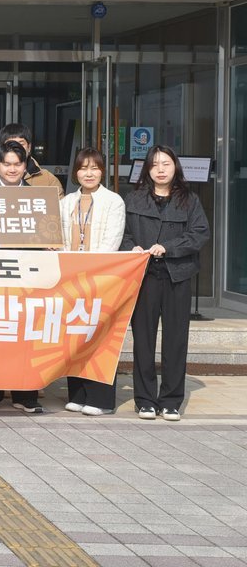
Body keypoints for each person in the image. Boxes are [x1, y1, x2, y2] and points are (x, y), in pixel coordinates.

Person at [122, 145, 210, 422]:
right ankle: (145, 400)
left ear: (175, 167)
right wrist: (132, 248)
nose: (160, 169)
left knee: (175, 339)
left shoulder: (189, 199)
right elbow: (122, 233)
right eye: (155, 164)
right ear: (147, 169)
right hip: (144, 275)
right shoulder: (134, 198)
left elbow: (199, 233)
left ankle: (171, 400)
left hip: (177, 275)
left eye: (166, 164)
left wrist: (168, 247)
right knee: (143, 340)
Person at [0, 141, 47, 414]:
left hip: (27, 278)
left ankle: (25, 394)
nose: (12, 169)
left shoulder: (38, 199)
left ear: (25, 167)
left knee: (26, 336)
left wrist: (49, 245)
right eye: (7, 164)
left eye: (17, 164)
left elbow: (49, 233)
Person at [60, 148, 126, 417]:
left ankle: (101, 399)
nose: (89, 173)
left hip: (101, 278)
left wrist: (92, 269)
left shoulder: (113, 201)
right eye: (83, 168)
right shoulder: (66, 202)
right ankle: (77, 394)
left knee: (100, 338)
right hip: (71, 278)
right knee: (74, 336)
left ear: (102, 171)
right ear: (76, 172)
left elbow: (112, 241)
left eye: (95, 168)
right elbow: (60, 239)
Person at [0, 123, 64, 197]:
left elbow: (59, 209)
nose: (16, 147)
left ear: (29, 147)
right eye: (10, 144)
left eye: (21, 143)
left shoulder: (48, 180)